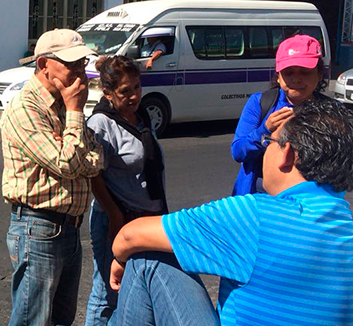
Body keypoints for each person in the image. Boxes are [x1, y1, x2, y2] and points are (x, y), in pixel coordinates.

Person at [107, 97, 353, 326]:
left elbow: (130, 235)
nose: (265, 149)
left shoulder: (255, 215)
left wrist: (119, 259)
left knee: (146, 257)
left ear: (287, 154)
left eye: (269, 142)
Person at [0, 28, 103, 326]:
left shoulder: (63, 105)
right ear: (44, 65)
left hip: (69, 228)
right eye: (71, 65)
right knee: (33, 319)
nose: (80, 73)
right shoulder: (25, 108)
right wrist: (75, 111)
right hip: (39, 227)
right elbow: (68, 163)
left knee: (61, 320)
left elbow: (98, 157)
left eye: (82, 64)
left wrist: (73, 121)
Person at [84, 55, 168, 326]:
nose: (134, 96)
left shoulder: (140, 115)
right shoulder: (101, 124)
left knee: (136, 290)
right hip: (116, 219)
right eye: (125, 91)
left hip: (145, 217)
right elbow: (93, 176)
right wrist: (116, 216)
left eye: (137, 87)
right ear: (107, 93)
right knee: (107, 293)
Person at [231, 34, 326, 196]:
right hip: (259, 197)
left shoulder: (330, 111)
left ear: (319, 74)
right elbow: (238, 152)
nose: (296, 79)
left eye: (305, 72)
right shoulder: (261, 103)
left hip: (309, 201)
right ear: (278, 76)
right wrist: (264, 131)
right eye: (288, 72)